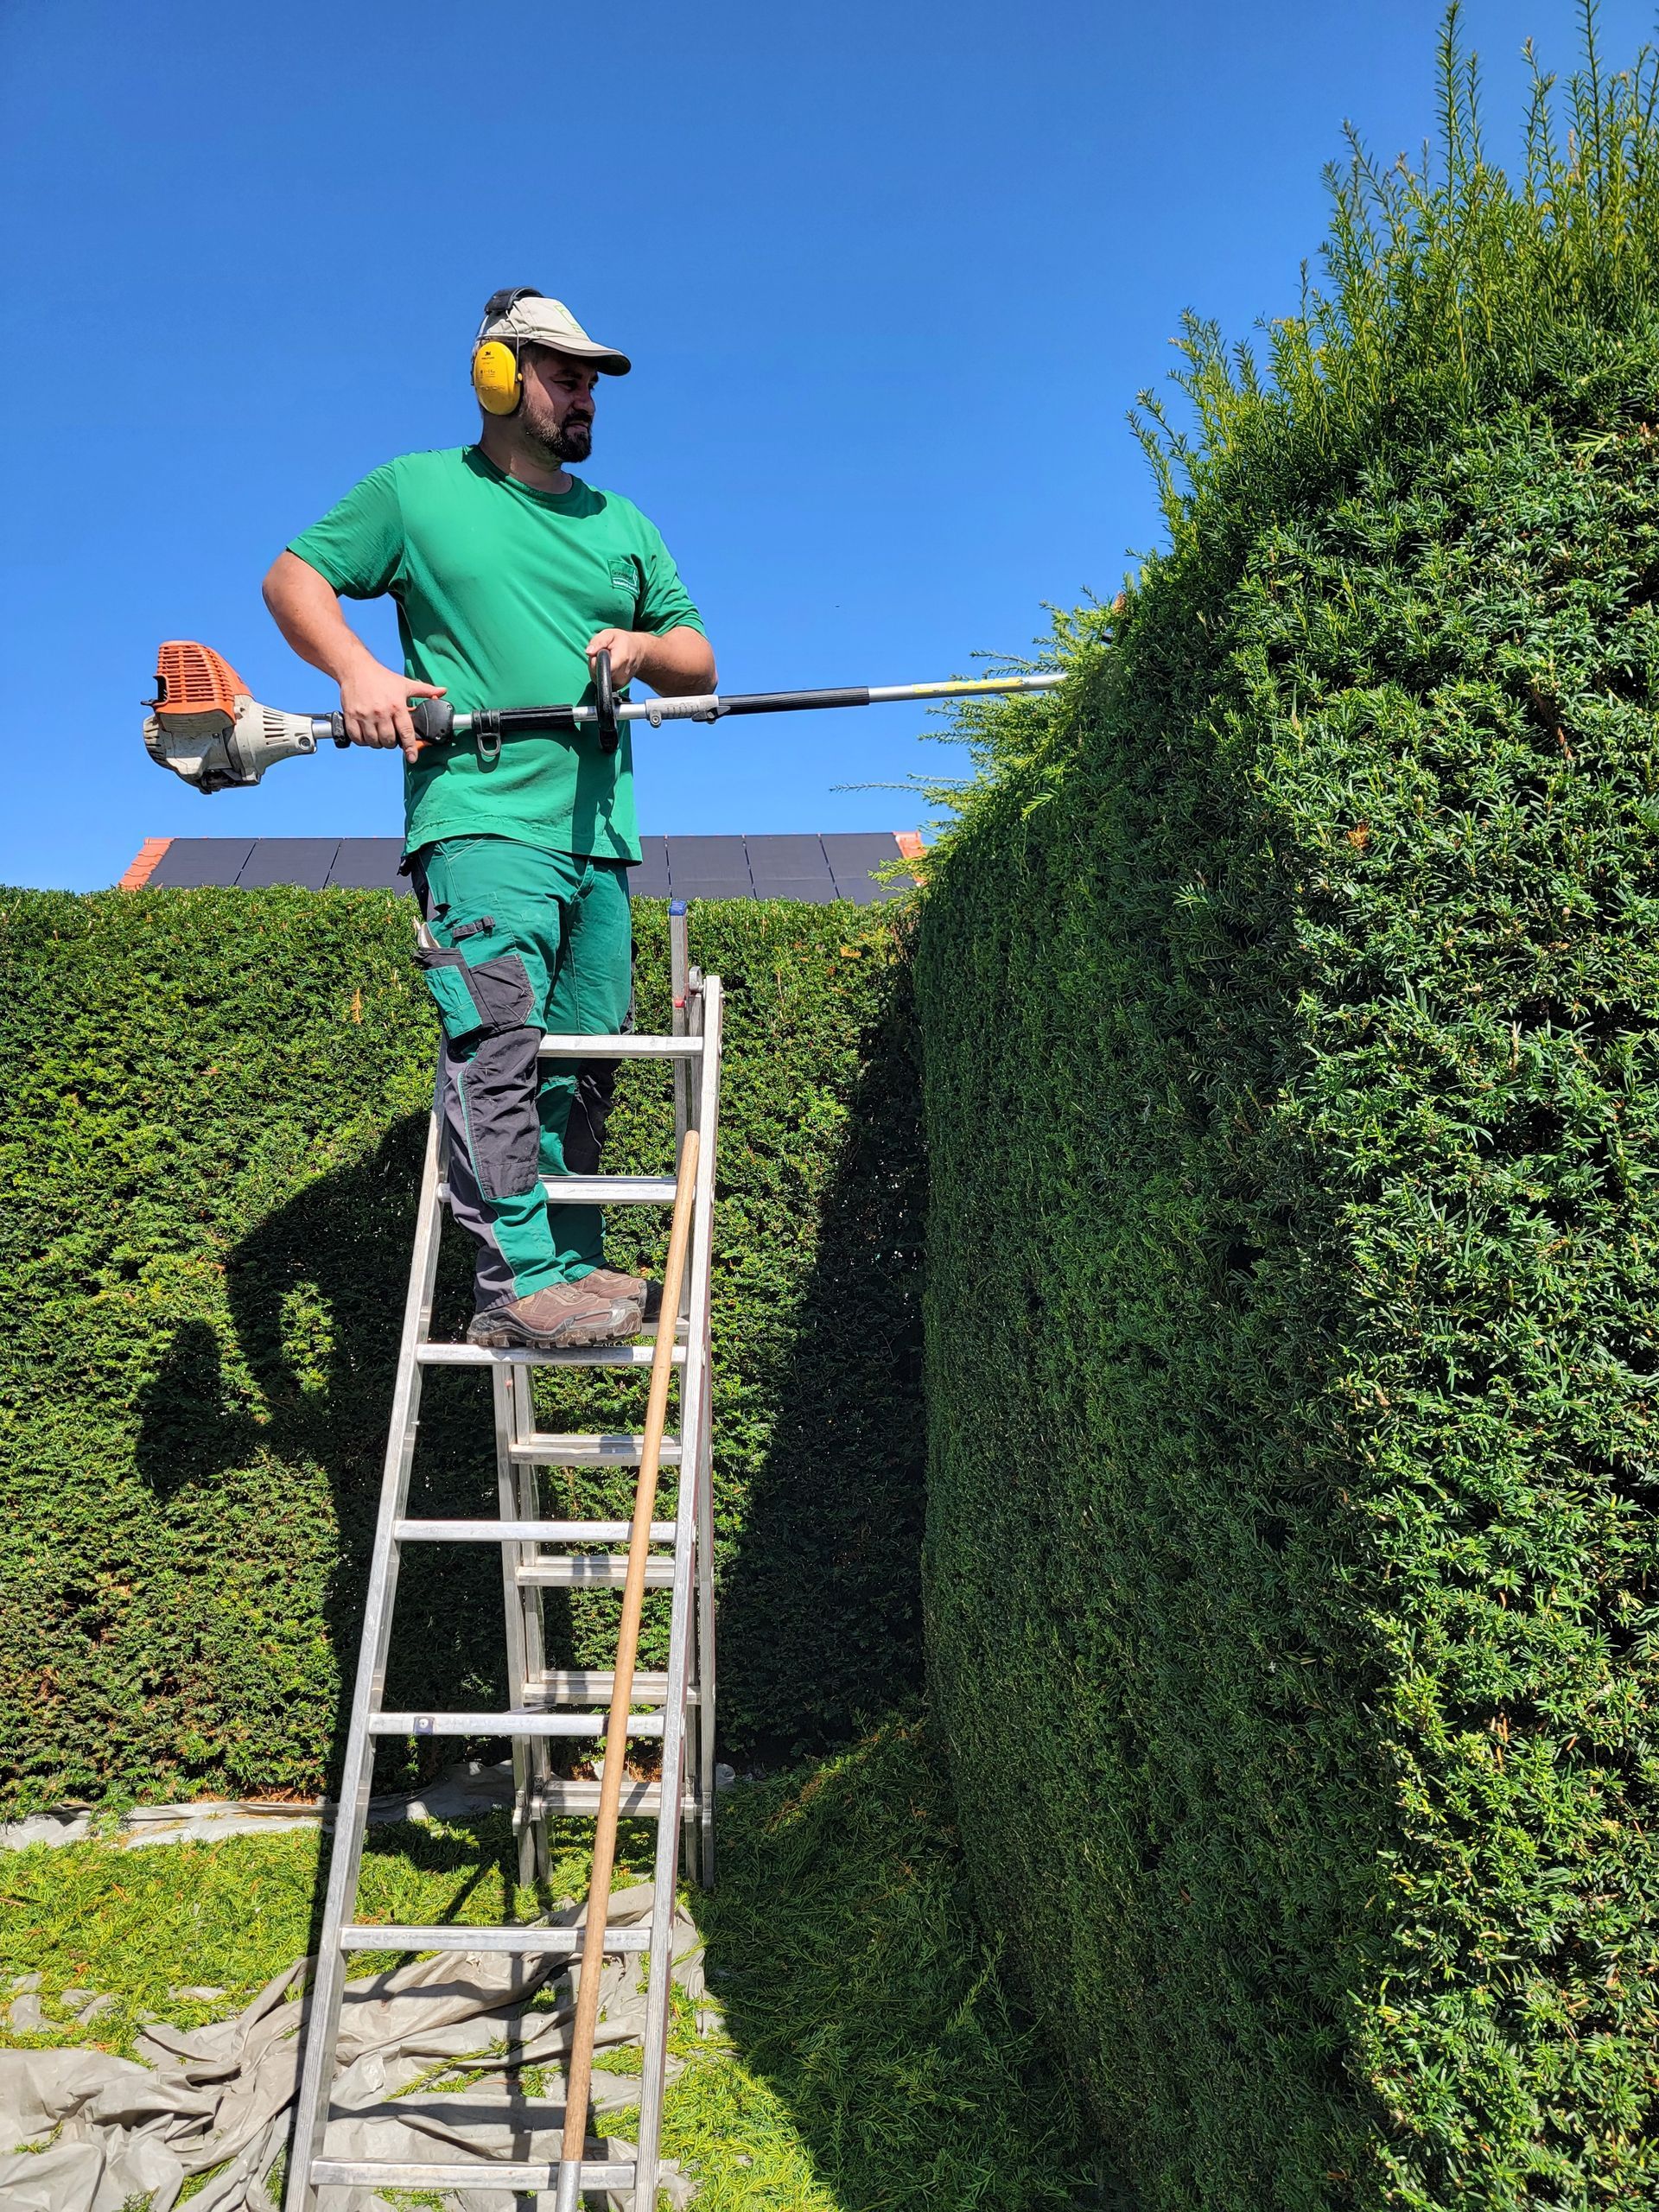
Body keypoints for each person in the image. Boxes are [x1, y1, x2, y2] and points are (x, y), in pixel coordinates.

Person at [264, 288, 716, 1349]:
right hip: (481, 817)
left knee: (585, 1052)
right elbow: (295, 579)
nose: (584, 395)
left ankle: (564, 1263)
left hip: (598, 838)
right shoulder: (417, 494)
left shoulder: (622, 524)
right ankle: (516, 1280)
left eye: (592, 380)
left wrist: (642, 651)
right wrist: (362, 670)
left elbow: (697, 660)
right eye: (563, 374)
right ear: (498, 378)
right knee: (501, 1036)